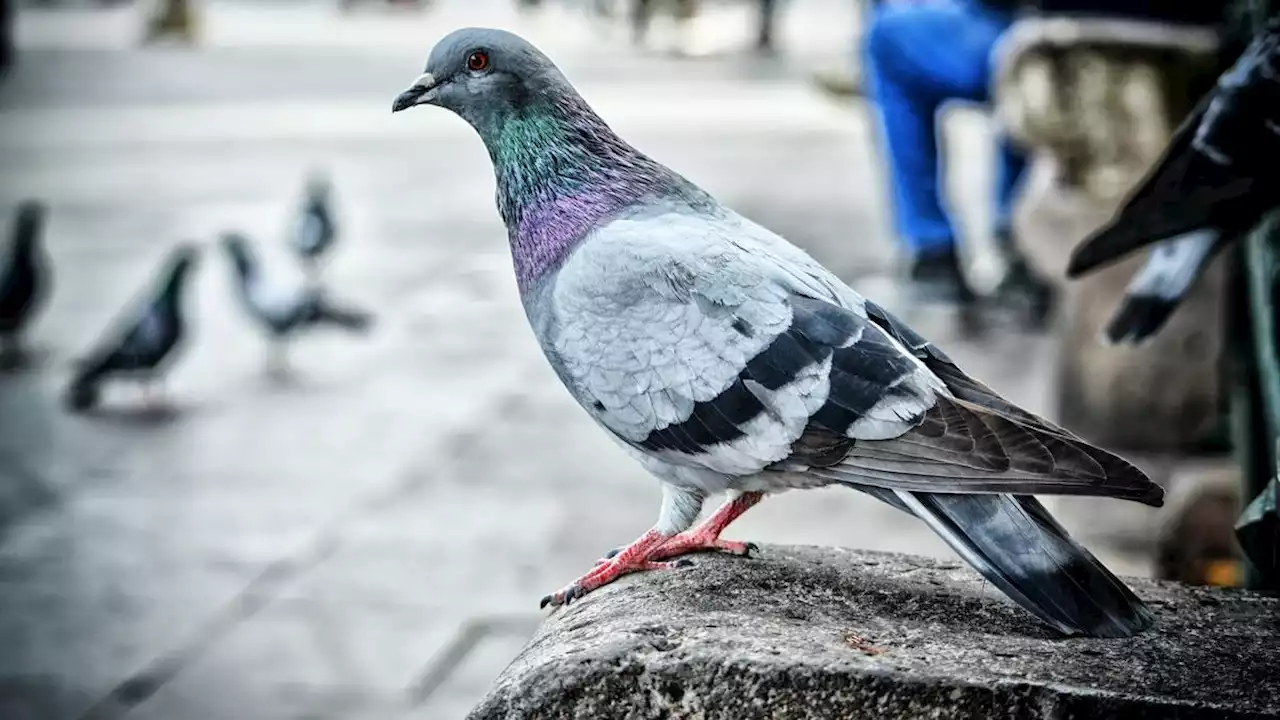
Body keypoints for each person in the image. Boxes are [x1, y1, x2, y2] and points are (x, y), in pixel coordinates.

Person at [863, 0, 1227, 322]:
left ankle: (934, 255)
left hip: (1063, 55)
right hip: (1198, 54)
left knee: (888, 37)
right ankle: (1011, 247)